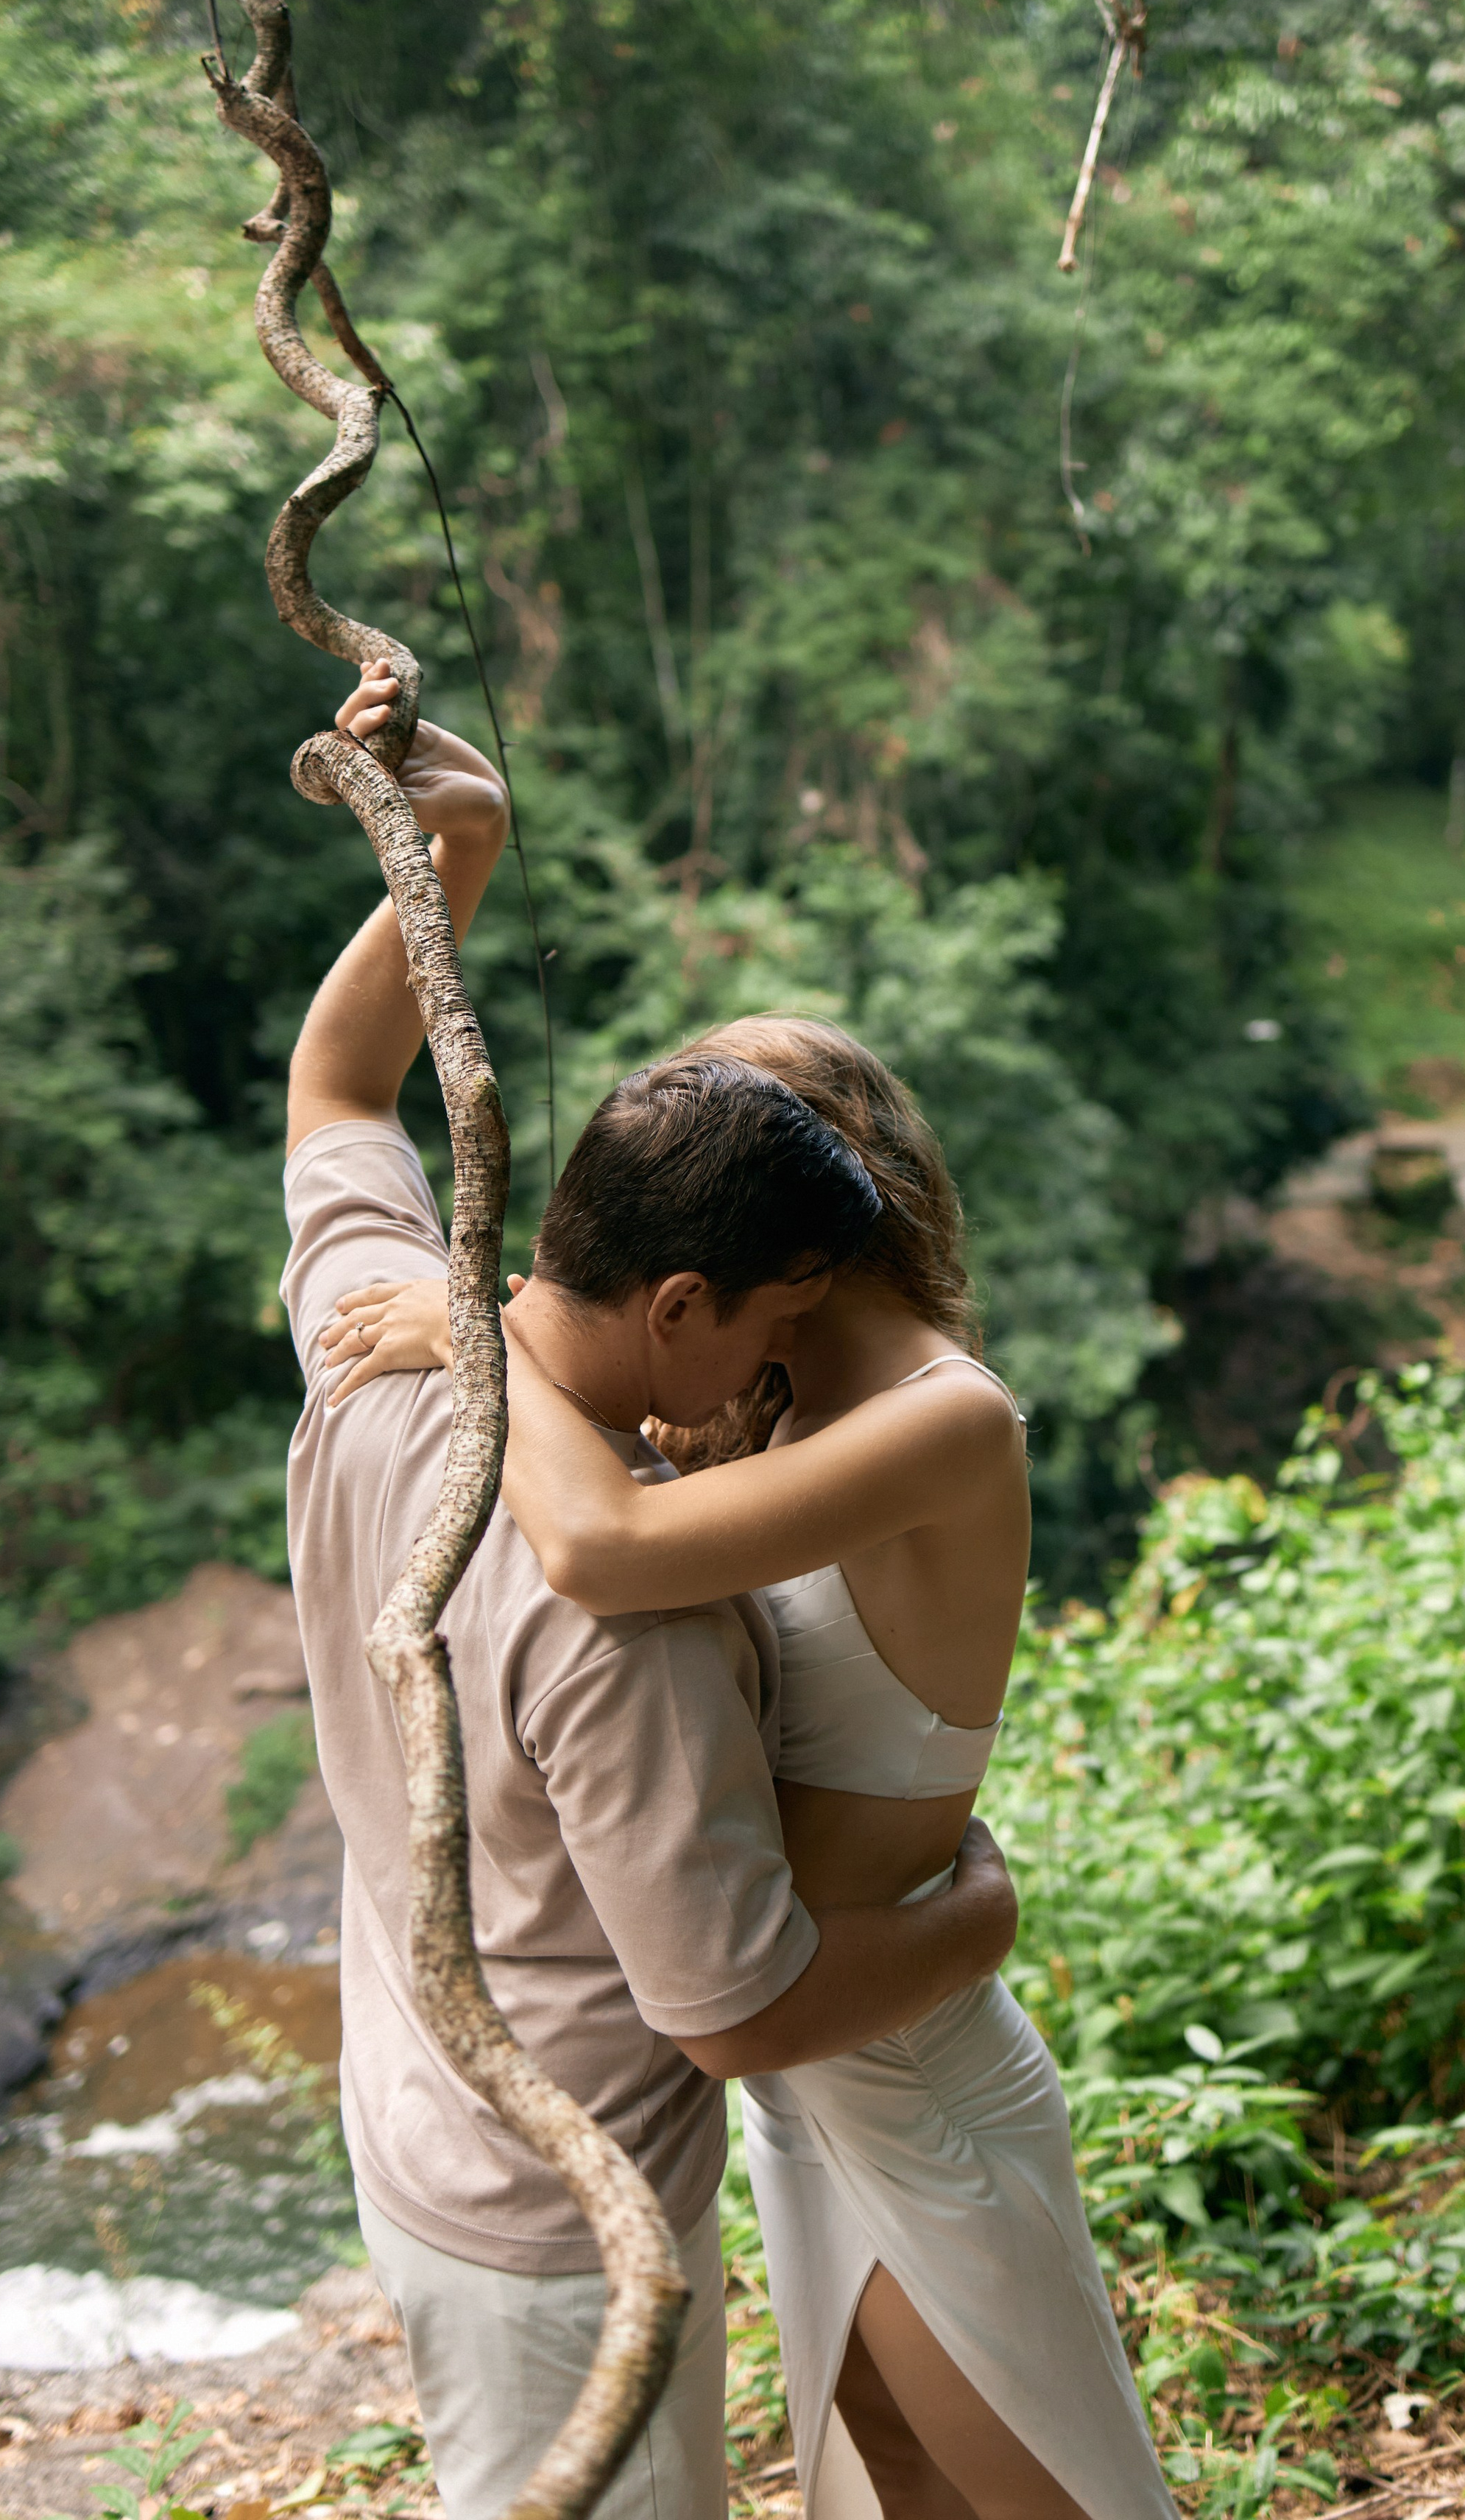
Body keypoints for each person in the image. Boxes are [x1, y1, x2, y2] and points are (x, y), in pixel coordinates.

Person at [282, 663, 1020, 2520]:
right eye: (776, 1323)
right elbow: (737, 2013)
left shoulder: (370, 1338)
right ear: (681, 1299)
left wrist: (454, 847)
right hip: (562, 2217)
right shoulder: (641, 1617)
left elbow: (336, 1085)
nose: (776, 1372)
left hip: (408, 2112)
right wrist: (980, 1919)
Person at [325, 1013, 1174, 2520]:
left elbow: (601, 1548)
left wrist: (478, 1336)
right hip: (795, 2067)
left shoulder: (944, 1417)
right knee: (895, 2477)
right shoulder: (752, 1398)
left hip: (899, 2060)